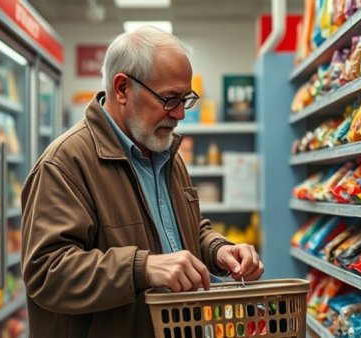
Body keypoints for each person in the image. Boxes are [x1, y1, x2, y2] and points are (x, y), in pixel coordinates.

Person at [21, 26, 264, 338]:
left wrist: (218, 251)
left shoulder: (166, 153)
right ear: (122, 88)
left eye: (185, 99)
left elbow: (184, 233)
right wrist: (142, 268)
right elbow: (47, 272)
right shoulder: (65, 164)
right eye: (169, 99)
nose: (180, 114)